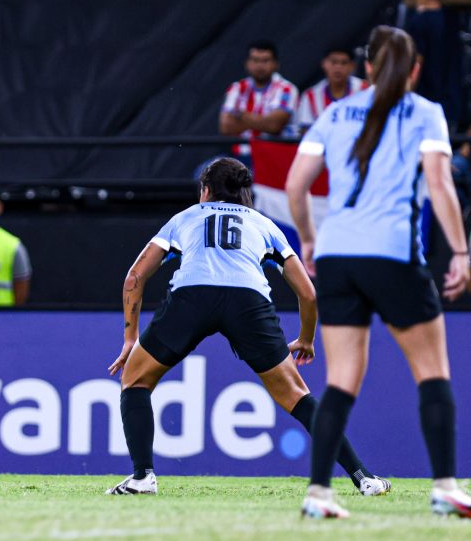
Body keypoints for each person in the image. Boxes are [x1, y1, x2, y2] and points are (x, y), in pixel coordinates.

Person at [106, 158, 390, 497]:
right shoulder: (264, 225)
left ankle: (142, 477)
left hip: (192, 297)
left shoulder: (183, 219)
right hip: (248, 301)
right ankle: (364, 478)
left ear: (206, 190)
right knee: (297, 396)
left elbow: (135, 277)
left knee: (135, 380)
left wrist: (130, 338)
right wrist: (306, 338)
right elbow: (308, 294)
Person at [286, 26, 471, 519]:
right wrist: (461, 251)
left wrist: (307, 238)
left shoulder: (334, 111)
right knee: (432, 372)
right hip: (392, 254)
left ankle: (319, 494)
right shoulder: (426, 112)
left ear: (367, 67)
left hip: (337, 256)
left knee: (342, 377)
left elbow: (296, 185)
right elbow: (439, 183)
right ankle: (446, 487)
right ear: (415, 69)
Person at [403, 0, 464, 131]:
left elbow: (416, 64)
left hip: (426, 106)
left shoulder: (418, 23)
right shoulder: (452, 16)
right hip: (453, 104)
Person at [219, 40, 298, 168]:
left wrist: (241, 116)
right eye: (255, 60)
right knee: (203, 173)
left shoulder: (287, 89)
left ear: (275, 64)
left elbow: (274, 125)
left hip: (274, 157)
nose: (260, 66)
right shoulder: (237, 88)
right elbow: (226, 127)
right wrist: (263, 121)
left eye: (265, 61)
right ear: (247, 64)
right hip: (238, 157)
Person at [296, 46, 367, 134]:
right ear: (324, 64)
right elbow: (306, 131)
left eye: (344, 63)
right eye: (333, 62)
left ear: (352, 66)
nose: (338, 67)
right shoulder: (311, 96)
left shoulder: (365, 90)